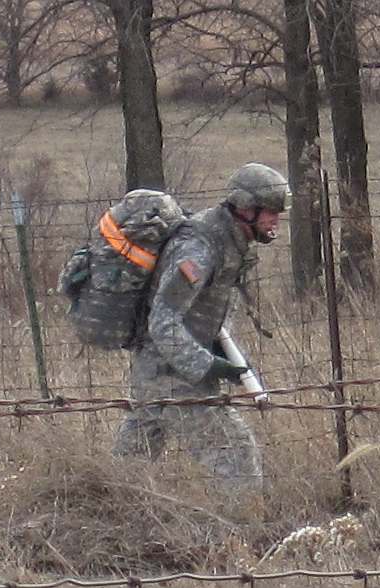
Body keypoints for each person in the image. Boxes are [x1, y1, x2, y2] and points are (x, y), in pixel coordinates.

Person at [113, 162, 288, 494]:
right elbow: (163, 322)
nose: (277, 218)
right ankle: (240, 535)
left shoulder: (228, 241)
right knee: (236, 453)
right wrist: (209, 366)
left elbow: (202, 318)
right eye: (272, 210)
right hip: (170, 375)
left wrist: (228, 359)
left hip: (161, 372)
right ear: (246, 208)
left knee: (130, 466)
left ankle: (107, 517)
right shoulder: (200, 248)